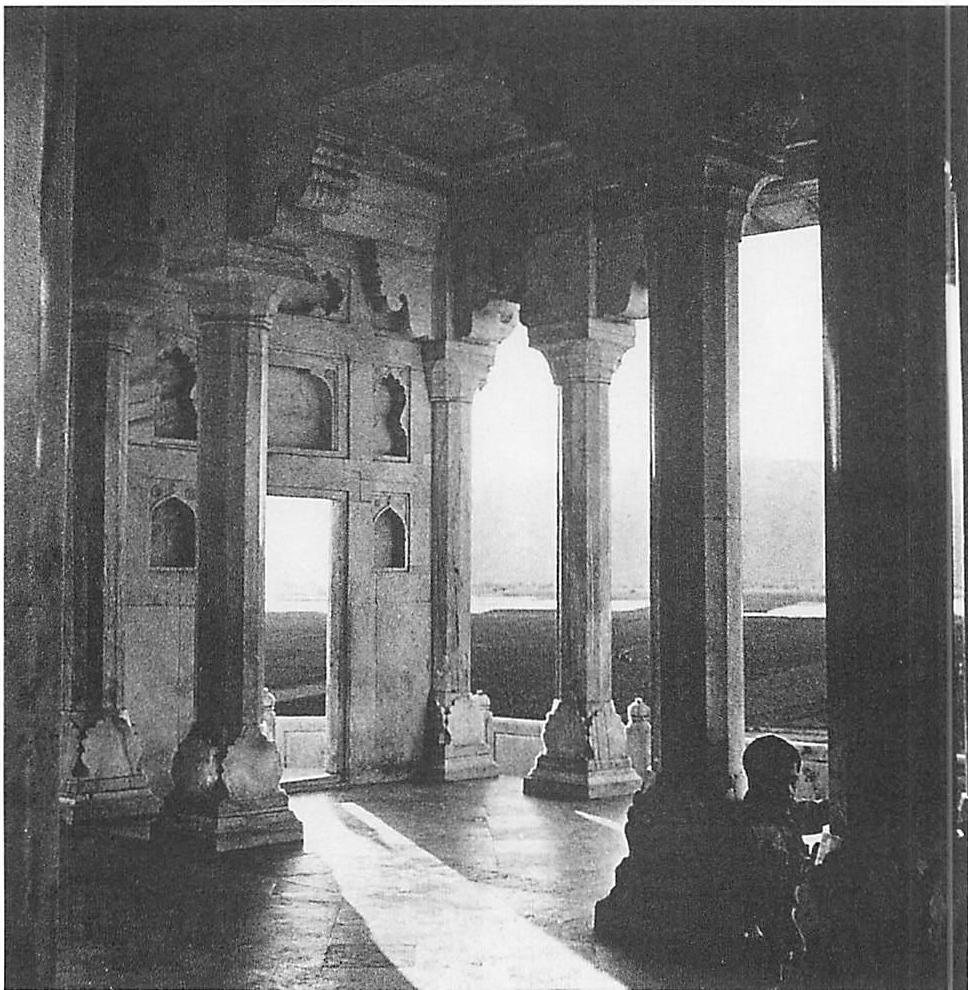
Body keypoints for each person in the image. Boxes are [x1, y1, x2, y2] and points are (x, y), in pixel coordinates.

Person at [732, 733, 831, 979]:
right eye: (780, 783)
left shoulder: (783, 812)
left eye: (793, 783)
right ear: (757, 781)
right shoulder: (752, 827)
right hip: (768, 928)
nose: (789, 791)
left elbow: (813, 813)